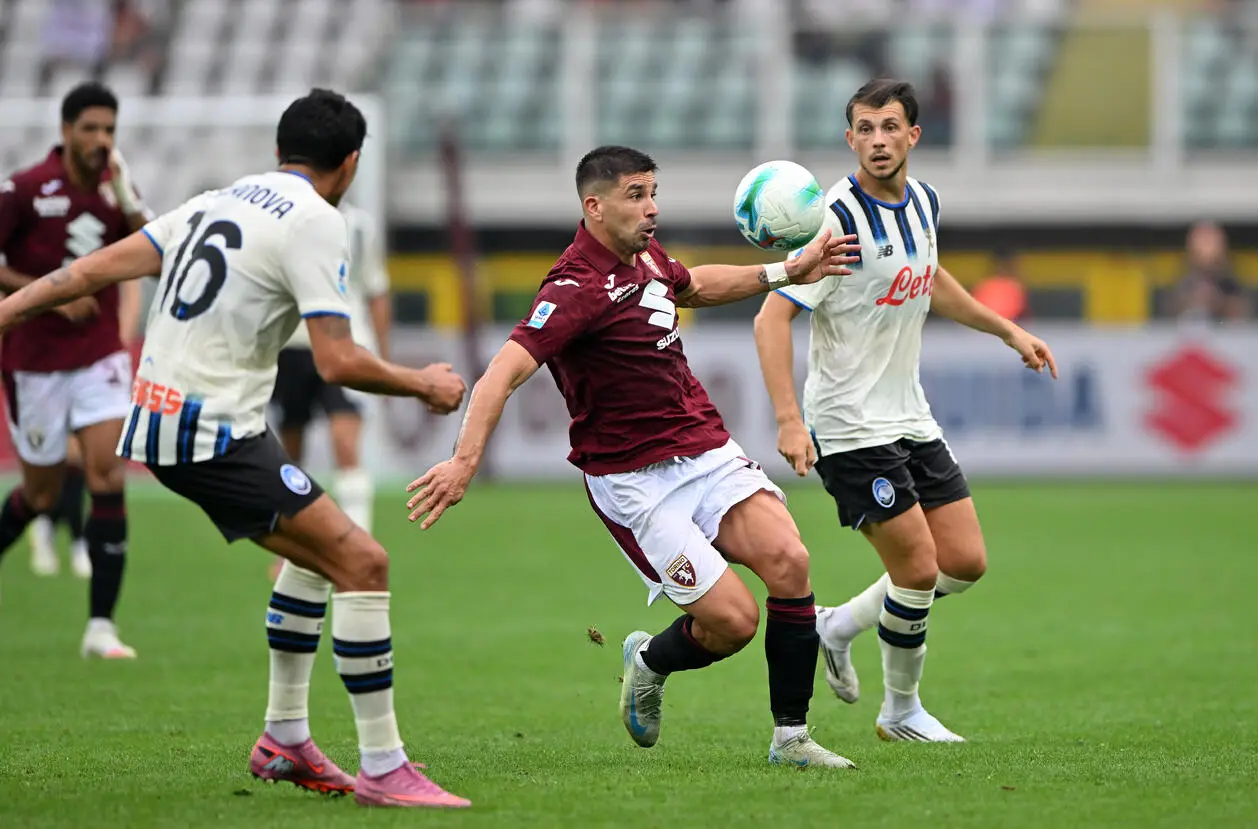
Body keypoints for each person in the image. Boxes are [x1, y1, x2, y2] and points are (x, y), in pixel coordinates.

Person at [0, 88, 471, 809]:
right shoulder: (318, 220)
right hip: (209, 431)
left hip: (162, 419)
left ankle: (284, 737)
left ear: (280, 150)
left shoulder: (216, 200)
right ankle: (384, 765)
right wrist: (423, 384)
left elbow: (91, 269)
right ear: (349, 164)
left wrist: (6, 309)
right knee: (362, 560)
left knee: (318, 558)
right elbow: (338, 360)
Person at [406, 145, 860, 768]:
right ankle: (648, 661)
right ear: (594, 206)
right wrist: (463, 463)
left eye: (653, 193)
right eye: (636, 196)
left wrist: (787, 270)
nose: (651, 208)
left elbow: (693, 284)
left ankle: (792, 740)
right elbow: (499, 376)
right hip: (634, 483)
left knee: (790, 561)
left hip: (703, 449)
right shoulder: (573, 290)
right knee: (733, 624)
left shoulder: (646, 257)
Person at [753, 79, 1058, 743]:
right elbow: (771, 318)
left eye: (891, 127)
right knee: (917, 569)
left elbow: (931, 277)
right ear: (850, 138)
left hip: (909, 415)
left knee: (965, 560)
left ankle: (837, 626)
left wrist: (1008, 330)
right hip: (848, 423)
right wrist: (787, 419)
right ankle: (900, 711)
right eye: (865, 128)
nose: (879, 140)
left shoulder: (924, 201)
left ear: (914, 136)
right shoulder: (833, 221)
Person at [0, 81, 150, 657]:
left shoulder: (117, 190)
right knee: (39, 494)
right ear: (65, 131)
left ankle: (101, 628)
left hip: (97, 356)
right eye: (90, 128)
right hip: (34, 362)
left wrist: (127, 193)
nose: (100, 139)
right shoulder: (26, 188)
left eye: (109, 129)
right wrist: (48, 294)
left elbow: (151, 245)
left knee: (106, 475)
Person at [265, 202, 390, 580]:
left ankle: (358, 543)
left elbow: (376, 289)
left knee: (345, 443)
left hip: (348, 344)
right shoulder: (282, 218)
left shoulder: (360, 226)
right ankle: (293, 547)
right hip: (293, 346)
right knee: (291, 453)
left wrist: (384, 355)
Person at [27, 277, 141, 579]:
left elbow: (131, 283)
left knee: (82, 459)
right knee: (45, 480)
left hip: (94, 356)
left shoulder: (108, 240)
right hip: (39, 359)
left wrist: (121, 339)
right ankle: (45, 524)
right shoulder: (32, 242)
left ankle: (77, 539)